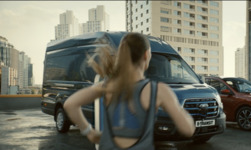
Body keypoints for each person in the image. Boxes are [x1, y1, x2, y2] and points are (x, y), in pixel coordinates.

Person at [64, 32, 195, 149]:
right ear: (146, 55)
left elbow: (70, 104)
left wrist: (90, 133)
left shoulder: (107, 86)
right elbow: (188, 129)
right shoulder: (158, 90)